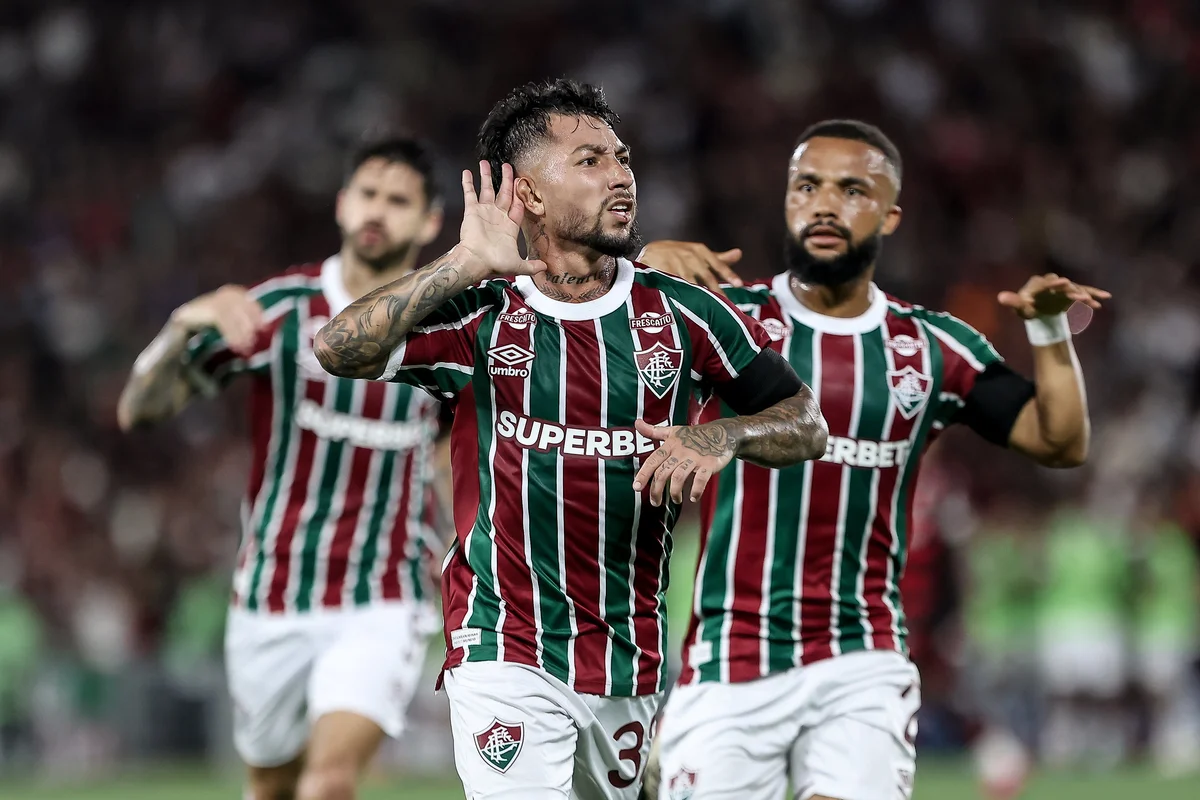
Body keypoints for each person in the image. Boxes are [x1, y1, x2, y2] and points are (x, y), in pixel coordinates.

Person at [313, 78, 829, 800]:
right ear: (527, 195)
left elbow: (806, 422)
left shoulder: (683, 314)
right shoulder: (482, 312)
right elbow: (338, 348)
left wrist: (725, 439)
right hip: (501, 642)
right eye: (589, 160)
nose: (621, 174)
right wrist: (460, 264)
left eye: (621, 157)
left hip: (628, 661)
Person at [638, 119, 1107, 800]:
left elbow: (1059, 440)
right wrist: (646, 265)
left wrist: (1048, 329)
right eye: (808, 186)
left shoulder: (932, 346)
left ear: (889, 215)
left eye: (852, 189)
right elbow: (593, 339)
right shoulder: (728, 320)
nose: (825, 204)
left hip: (861, 657)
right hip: (729, 658)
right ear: (788, 201)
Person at [118, 138, 449, 800]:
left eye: (398, 200)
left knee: (327, 783)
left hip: (384, 596)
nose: (377, 212)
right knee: (271, 785)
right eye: (367, 195)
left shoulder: (447, 325)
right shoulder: (279, 310)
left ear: (430, 222)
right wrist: (183, 326)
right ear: (342, 204)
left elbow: (450, 450)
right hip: (272, 594)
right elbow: (139, 411)